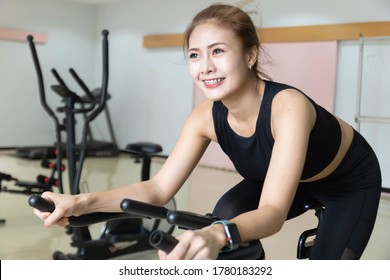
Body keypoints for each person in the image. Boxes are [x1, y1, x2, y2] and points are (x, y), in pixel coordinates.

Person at [33, 3, 382, 260]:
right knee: (224, 214)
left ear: (250, 55)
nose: (206, 67)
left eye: (218, 51)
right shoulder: (204, 117)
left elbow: (273, 212)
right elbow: (157, 189)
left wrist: (219, 234)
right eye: (195, 55)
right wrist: (80, 202)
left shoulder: (287, 107)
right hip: (283, 179)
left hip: (347, 184)